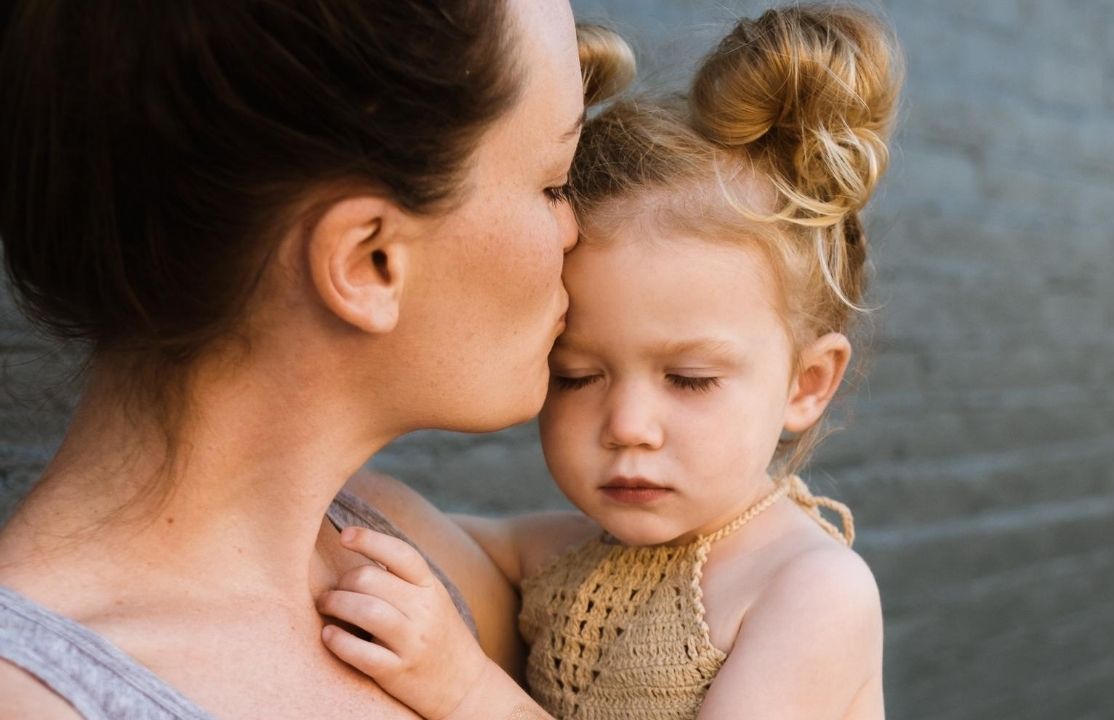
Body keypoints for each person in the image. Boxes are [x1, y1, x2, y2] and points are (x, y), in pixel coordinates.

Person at [0, 1, 625, 718]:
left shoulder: (402, 550)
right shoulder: (35, 701)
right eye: (552, 185)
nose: (576, 232)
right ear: (369, 261)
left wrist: (778, 588)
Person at [316, 6, 903, 719]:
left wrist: (465, 689)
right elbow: (395, 522)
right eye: (578, 376)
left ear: (806, 385)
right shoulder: (564, 557)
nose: (628, 426)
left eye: (688, 379)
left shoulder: (807, 589)